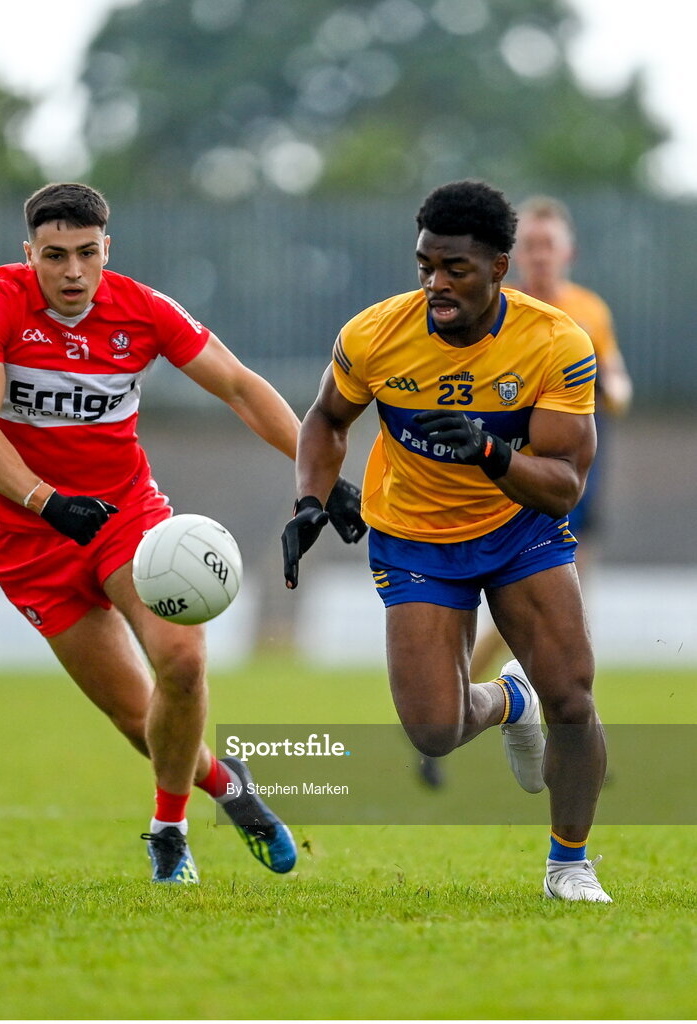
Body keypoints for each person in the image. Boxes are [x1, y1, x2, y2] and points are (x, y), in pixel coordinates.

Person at [0, 182, 365, 884]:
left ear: (107, 248)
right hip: (32, 540)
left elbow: (237, 385)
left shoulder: (141, 309)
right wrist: (49, 504)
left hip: (125, 519)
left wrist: (316, 476)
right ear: (30, 255)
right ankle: (229, 787)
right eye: (54, 256)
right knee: (138, 720)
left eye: (87, 253)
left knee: (183, 663)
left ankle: (168, 832)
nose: (73, 272)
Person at [282, 180, 612, 902]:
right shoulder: (374, 333)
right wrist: (310, 499)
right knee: (435, 731)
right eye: (425, 265)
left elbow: (563, 485)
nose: (436, 284)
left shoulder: (556, 341)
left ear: (499, 267)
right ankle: (505, 704)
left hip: (519, 530)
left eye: (455, 268)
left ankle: (569, 865)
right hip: (414, 540)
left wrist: (491, 453)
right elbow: (326, 419)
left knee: (573, 698)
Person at [468, 195, 632, 682]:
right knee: (536, 602)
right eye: (531, 245)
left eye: (548, 245)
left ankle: (564, 722)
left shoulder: (589, 311)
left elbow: (618, 379)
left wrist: (611, 388)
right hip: (515, 468)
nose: (540, 254)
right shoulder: (500, 310)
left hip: (574, 466)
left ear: (568, 253)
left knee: (572, 598)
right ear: (516, 255)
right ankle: (461, 698)